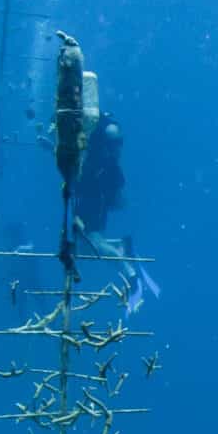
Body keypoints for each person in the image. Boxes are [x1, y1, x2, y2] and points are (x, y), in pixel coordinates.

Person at [69, 110, 160, 312]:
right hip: (93, 201)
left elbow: (74, 167)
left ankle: (130, 274)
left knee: (93, 242)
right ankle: (121, 246)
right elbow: (120, 201)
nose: (118, 148)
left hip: (91, 203)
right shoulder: (103, 159)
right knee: (84, 248)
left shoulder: (99, 158)